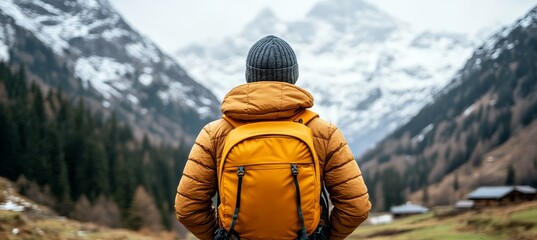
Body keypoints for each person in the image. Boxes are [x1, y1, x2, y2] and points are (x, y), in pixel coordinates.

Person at [175, 35, 371, 240]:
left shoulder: (214, 134)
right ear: (293, 76)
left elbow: (187, 208)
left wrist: (221, 237)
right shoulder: (324, 133)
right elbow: (355, 207)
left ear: (249, 76)